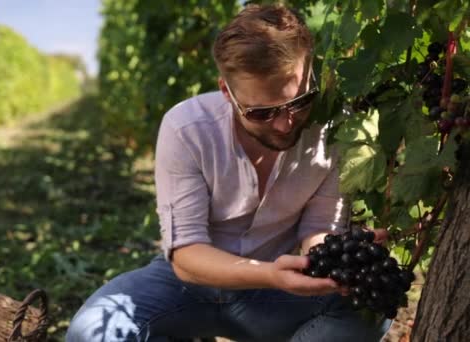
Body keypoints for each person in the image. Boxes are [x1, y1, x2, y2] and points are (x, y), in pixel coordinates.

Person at [66, 4, 391, 341]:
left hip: (275, 293)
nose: (284, 124)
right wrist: (271, 275)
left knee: (368, 310)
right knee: (88, 332)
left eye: (299, 102)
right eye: (261, 113)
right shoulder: (187, 129)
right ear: (227, 92)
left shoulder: (333, 131)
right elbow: (186, 255)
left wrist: (340, 255)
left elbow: (319, 229)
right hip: (186, 284)